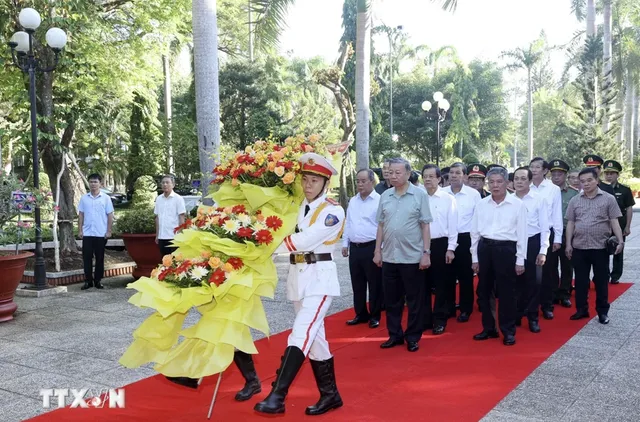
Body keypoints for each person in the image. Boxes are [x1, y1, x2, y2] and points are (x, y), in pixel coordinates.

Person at [254, 153, 344, 416]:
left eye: (314, 180)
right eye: (305, 179)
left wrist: (263, 247)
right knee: (316, 341)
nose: (308, 185)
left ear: (325, 183)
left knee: (301, 333)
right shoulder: (295, 207)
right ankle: (331, 395)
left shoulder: (333, 211)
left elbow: (303, 241)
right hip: (298, 277)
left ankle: (277, 395)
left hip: (319, 279)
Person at [374, 158, 433, 353]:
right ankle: (394, 335)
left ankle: (413, 337)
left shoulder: (419, 195)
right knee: (392, 300)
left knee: (415, 300)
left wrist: (426, 253)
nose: (393, 176)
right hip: (390, 256)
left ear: (408, 174)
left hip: (412, 257)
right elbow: (381, 224)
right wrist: (377, 250)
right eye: (391, 172)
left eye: (398, 172)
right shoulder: (385, 196)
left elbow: (425, 225)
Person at [471, 166, 527, 346]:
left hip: (506, 250)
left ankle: (508, 331)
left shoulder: (517, 205)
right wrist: (474, 258)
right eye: (492, 182)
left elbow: (522, 234)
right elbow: (474, 232)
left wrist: (520, 259)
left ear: (507, 183)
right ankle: (489, 328)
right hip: (485, 248)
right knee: (484, 291)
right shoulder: (481, 204)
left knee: (506, 293)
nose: (495, 186)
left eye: (499, 182)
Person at [565, 167, 624, 325]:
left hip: (600, 248)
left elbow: (614, 221)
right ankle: (581, 310)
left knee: (601, 281)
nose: (586, 184)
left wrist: (620, 240)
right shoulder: (575, 200)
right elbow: (570, 222)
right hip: (579, 247)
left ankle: (603, 312)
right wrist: (568, 244)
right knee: (581, 282)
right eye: (582, 181)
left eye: (589, 180)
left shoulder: (608, 199)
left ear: (597, 180)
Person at [342, 169, 383, 329]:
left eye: (363, 181)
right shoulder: (353, 200)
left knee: (374, 283)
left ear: (372, 181)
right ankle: (360, 313)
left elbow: (383, 226)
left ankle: (375, 315)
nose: (360, 184)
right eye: (358, 181)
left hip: (372, 246)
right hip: (355, 247)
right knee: (357, 283)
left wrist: (380, 250)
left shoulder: (379, 200)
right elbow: (348, 223)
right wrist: (345, 243)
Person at [512, 167, 550, 333]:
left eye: (523, 179)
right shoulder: (509, 199)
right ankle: (517, 314)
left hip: (532, 242)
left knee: (533, 282)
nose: (519, 182)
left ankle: (533, 317)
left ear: (529, 181)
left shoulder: (538, 199)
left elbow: (545, 227)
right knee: (514, 282)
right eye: (516, 179)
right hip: (512, 243)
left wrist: (543, 250)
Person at [422, 164, 457, 335]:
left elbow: (453, 226)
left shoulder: (448, 199)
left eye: (431, 176)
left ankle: (440, 319)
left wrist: (451, 248)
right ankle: (425, 319)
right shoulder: (418, 197)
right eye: (425, 176)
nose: (428, 179)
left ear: (438, 179)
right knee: (423, 284)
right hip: (421, 245)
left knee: (441, 284)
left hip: (441, 244)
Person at [444, 162, 481, 323]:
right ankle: (449, 307)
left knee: (465, 276)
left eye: (458, 173)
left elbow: (477, 220)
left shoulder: (473, 195)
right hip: (445, 239)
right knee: (447, 276)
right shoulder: (442, 193)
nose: (453, 175)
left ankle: (466, 309)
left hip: (465, 239)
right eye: (451, 172)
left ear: (465, 176)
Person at [529, 157, 562, 320]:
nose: (534, 170)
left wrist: (558, 238)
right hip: (527, 234)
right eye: (531, 167)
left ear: (544, 171)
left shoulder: (552, 189)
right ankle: (528, 305)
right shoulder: (523, 186)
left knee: (547, 272)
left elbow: (556, 215)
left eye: (537, 167)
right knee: (529, 272)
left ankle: (547, 305)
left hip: (547, 232)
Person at [549, 159, 578, 307]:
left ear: (565, 175)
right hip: (551, 232)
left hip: (568, 232)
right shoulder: (545, 192)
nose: (556, 177)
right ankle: (553, 293)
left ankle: (565, 293)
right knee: (551, 264)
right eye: (553, 174)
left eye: (559, 174)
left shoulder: (573, 193)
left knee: (567, 263)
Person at [78, 173, 114, 290]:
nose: (93, 184)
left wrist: (109, 231)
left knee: (100, 258)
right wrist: (80, 230)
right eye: (91, 182)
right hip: (87, 233)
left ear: (100, 184)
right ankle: (88, 281)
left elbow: (110, 215)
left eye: (95, 182)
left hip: (100, 233)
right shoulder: (84, 198)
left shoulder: (106, 198)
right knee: (87, 258)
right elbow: (81, 215)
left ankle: (98, 280)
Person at [603, 160, 635, 284]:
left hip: (619, 224)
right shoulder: (600, 188)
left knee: (618, 250)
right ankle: (603, 275)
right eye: (607, 173)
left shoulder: (625, 190)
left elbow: (629, 208)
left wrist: (627, 226)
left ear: (617, 175)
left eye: (612, 173)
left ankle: (615, 275)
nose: (609, 176)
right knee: (602, 251)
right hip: (604, 224)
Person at [154, 175, 187, 257]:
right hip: (162, 237)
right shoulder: (158, 199)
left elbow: (181, 217)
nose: (165, 184)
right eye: (163, 183)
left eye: (167, 182)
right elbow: (157, 218)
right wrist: (157, 235)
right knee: (164, 262)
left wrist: (180, 235)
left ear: (173, 185)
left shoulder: (178, 199)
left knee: (174, 263)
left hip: (173, 237)